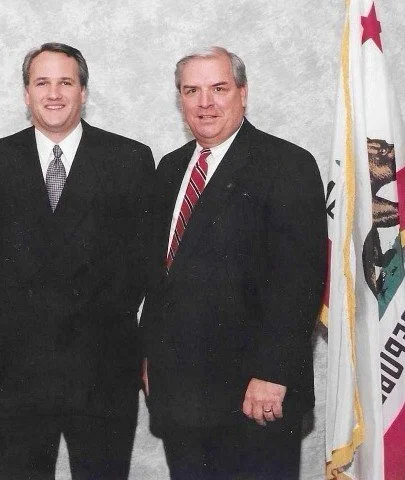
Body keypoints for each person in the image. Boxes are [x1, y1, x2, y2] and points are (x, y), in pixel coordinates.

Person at [140, 46, 327, 479]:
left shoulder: (287, 165)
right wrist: (150, 356)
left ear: (243, 93)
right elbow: (161, 279)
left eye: (219, 88)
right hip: (179, 395)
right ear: (180, 99)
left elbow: (298, 282)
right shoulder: (170, 169)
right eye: (192, 90)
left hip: (253, 396)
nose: (205, 102)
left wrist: (273, 373)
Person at [0, 42, 155, 479]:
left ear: (84, 92)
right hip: (21, 373)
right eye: (42, 83)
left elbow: (139, 267)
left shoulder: (129, 159)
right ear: (26, 94)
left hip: (103, 371)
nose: (54, 94)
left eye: (65, 82)